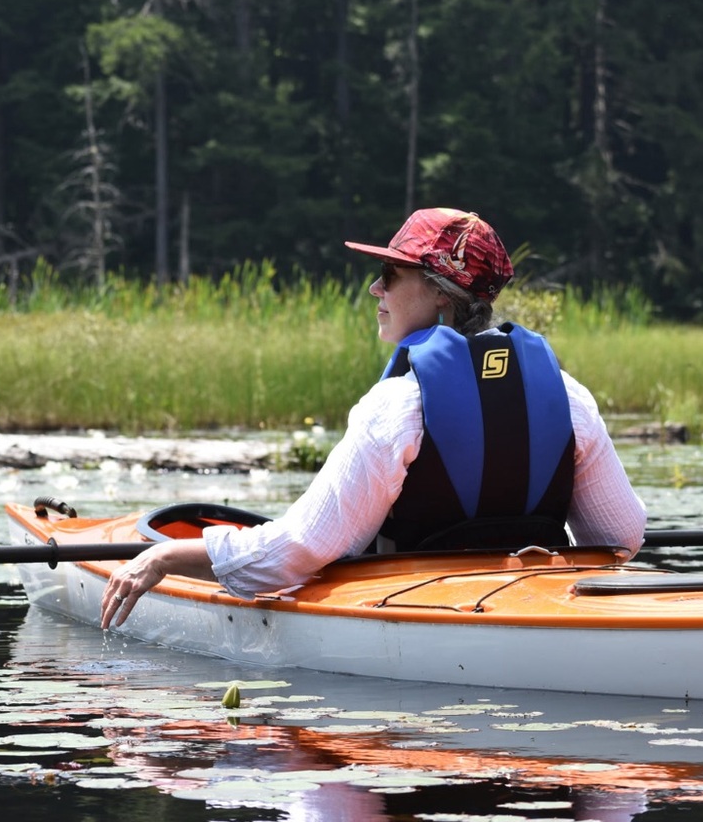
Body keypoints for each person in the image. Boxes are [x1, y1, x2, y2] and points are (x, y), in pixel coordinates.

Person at [101, 207, 646, 630]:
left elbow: (296, 553)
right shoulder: (570, 398)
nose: (375, 289)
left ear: (440, 294)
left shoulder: (398, 407)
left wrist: (165, 556)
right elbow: (619, 536)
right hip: (538, 607)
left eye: (390, 273)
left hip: (423, 614)